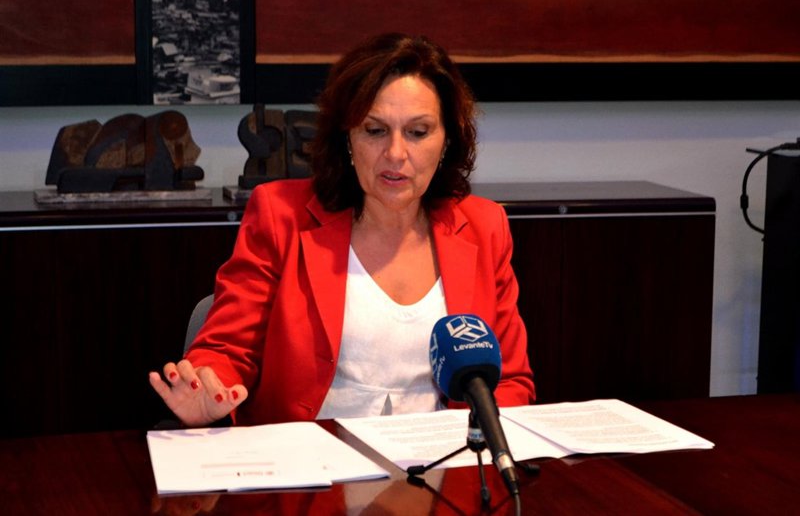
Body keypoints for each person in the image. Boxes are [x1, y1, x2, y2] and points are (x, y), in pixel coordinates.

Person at [149, 32, 535, 428]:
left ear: (447, 141)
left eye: (418, 132)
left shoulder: (483, 227)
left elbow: (509, 380)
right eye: (374, 130)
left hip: (443, 458)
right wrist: (208, 387)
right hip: (310, 458)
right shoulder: (281, 216)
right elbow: (228, 349)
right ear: (347, 138)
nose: (396, 153)